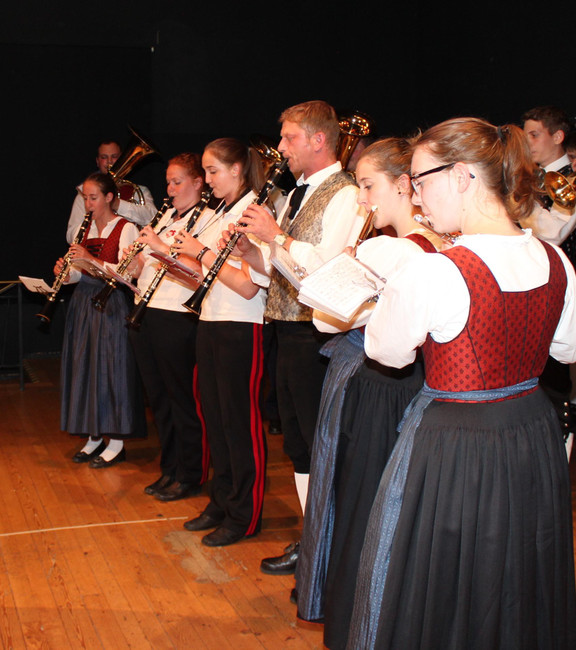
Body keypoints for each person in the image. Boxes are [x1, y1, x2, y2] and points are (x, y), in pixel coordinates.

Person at [349, 118, 576, 649]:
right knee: (520, 570)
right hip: (532, 432)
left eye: (420, 180)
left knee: (450, 578)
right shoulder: (555, 259)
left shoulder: (435, 269)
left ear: (461, 177)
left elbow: (386, 352)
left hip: (458, 443)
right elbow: (571, 349)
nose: (415, 198)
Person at [294, 137, 441, 648]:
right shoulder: (445, 244)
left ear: (403, 186)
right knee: (396, 503)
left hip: (372, 385)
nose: (361, 198)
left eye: (367, 185)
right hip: (419, 389)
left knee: (356, 500)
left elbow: (322, 317)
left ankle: (354, 617)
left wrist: (345, 268)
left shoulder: (388, 249)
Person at [234, 100, 362, 575]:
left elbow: (331, 271)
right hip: (286, 332)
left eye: (289, 138)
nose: (282, 148)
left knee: (321, 443)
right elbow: (278, 272)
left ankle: (329, 550)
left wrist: (278, 237)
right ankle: (312, 542)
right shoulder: (295, 195)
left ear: (318, 140)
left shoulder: (346, 194)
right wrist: (251, 251)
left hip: (317, 338)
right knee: (298, 445)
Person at [170, 137, 281, 546]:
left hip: (241, 326)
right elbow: (209, 276)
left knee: (239, 423)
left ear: (237, 170)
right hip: (211, 320)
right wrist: (174, 258)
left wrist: (200, 254)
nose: (208, 179)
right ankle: (221, 501)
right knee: (215, 419)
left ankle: (244, 515)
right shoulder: (219, 211)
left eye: (213, 171)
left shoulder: (255, 211)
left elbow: (251, 287)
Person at [129, 153, 208, 500]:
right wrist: (133, 263)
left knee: (181, 399)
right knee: (159, 399)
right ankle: (170, 468)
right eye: (168, 182)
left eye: (178, 182)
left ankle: (190, 473)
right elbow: (143, 269)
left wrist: (159, 247)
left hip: (176, 316)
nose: (170, 189)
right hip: (147, 311)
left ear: (197, 183)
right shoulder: (164, 219)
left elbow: (196, 275)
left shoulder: (204, 220)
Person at [61, 173, 145, 468]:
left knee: (111, 369)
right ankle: (93, 436)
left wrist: (91, 259)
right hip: (83, 304)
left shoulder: (126, 228)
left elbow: (127, 274)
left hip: (111, 303)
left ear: (109, 198)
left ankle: (117, 442)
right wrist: (66, 273)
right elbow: (78, 274)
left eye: (93, 198)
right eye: (85, 198)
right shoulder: (81, 230)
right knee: (84, 369)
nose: (88, 204)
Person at [522, 105, 576, 458]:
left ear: (558, 136)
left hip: (558, 281)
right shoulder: (530, 177)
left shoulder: (575, 177)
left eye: (534, 135)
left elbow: (552, 233)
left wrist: (518, 205)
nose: (528, 142)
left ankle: (559, 452)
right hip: (527, 279)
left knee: (555, 378)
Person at [65, 139, 156, 231]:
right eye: (104, 157)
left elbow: (154, 219)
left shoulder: (139, 191)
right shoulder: (84, 194)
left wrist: (118, 204)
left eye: (114, 156)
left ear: (122, 158)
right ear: (97, 161)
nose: (109, 161)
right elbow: (72, 233)